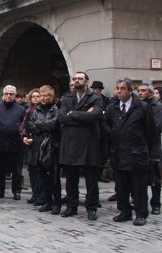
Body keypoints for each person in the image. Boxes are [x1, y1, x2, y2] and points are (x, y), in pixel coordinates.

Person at [105, 78, 156, 226]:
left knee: (139, 187)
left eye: (122, 89)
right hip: (118, 153)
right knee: (121, 186)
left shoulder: (142, 107)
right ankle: (124, 211)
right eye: (117, 88)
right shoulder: (112, 107)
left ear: (129, 91)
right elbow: (106, 125)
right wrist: (113, 134)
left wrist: (142, 147)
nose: (119, 91)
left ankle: (141, 213)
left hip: (136, 153)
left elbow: (150, 132)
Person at [57, 71, 103, 220]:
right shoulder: (67, 98)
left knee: (91, 179)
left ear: (87, 82)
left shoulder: (95, 98)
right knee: (71, 179)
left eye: (80, 79)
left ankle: (92, 207)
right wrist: (81, 115)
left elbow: (94, 116)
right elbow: (62, 117)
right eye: (75, 78)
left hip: (89, 143)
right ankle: (72, 206)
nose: (77, 81)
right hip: (70, 143)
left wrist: (73, 114)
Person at [26, 85, 61, 214]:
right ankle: (48, 201)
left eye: (46, 96)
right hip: (38, 145)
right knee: (43, 176)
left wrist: (39, 125)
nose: (43, 98)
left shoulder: (56, 109)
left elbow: (54, 124)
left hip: (51, 146)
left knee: (54, 178)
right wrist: (41, 127)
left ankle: (56, 203)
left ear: (52, 97)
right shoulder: (36, 109)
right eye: (41, 96)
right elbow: (30, 125)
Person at [136, 83, 162, 215]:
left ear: (150, 92)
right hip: (138, 147)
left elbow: (157, 127)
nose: (140, 93)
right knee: (139, 178)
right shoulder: (136, 106)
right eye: (139, 91)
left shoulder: (157, 107)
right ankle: (138, 201)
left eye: (143, 90)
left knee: (154, 179)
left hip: (152, 147)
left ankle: (156, 204)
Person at [22, 88, 43, 205]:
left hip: (40, 144)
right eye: (33, 96)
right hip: (30, 145)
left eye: (37, 96)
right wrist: (24, 136)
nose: (35, 98)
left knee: (40, 171)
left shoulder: (43, 111)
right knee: (32, 170)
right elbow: (23, 126)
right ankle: (35, 194)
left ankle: (41, 195)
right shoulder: (28, 111)